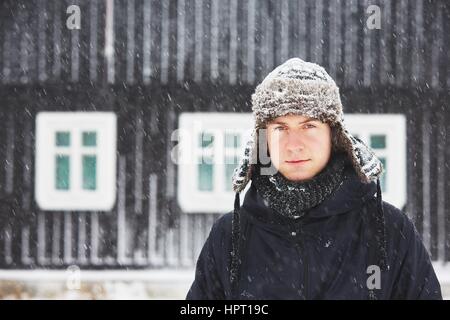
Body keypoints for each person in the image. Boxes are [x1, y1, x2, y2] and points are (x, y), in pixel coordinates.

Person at [186, 58, 442, 300]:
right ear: (263, 140)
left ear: (334, 135)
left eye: (309, 126)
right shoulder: (230, 235)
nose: (294, 145)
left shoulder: (388, 230)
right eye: (280, 128)